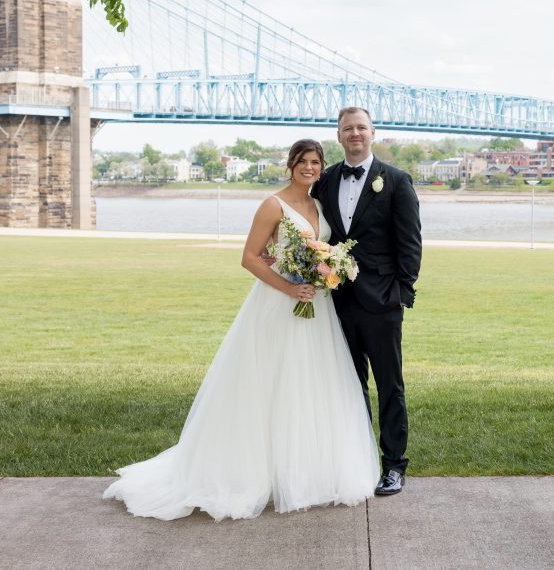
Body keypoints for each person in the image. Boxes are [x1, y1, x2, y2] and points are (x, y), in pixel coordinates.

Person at [103, 139, 379, 521]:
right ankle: (252, 472)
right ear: (290, 165)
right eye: (302, 161)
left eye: (316, 162)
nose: (310, 168)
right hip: (278, 304)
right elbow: (249, 257)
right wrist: (289, 287)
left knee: (310, 384)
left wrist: (326, 269)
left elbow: (315, 249)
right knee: (268, 385)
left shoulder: (317, 205)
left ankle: (304, 472)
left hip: (316, 307)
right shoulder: (272, 204)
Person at [311, 106, 422, 496]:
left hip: (383, 303)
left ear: (373, 133)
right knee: (348, 384)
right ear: (339, 136)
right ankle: (357, 461)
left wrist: (401, 295)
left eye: (361, 127)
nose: (354, 134)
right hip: (337, 303)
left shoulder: (396, 181)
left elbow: (410, 245)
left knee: (390, 385)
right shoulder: (323, 182)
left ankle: (394, 466)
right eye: (347, 129)